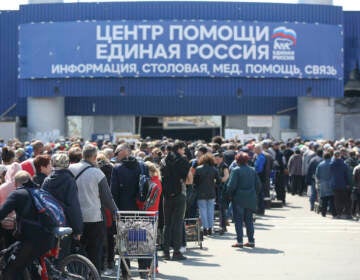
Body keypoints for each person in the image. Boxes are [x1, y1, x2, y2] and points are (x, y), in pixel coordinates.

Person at [69, 144, 118, 273]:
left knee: (75, 251)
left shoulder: (70, 169)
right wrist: (115, 212)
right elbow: (107, 198)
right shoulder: (97, 173)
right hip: (94, 217)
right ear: (95, 157)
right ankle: (94, 275)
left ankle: (76, 274)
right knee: (94, 251)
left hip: (74, 217)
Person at [0, 171, 55, 279]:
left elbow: (2, 212)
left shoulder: (17, 194)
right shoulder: (39, 191)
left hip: (30, 240)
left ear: (16, 184)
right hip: (49, 237)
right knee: (28, 263)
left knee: (9, 269)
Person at [41, 152, 83, 260]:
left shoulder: (47, 180)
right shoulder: (69, 180)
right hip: (66, 222)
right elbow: (73, 206)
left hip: (50, 223)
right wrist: (78, 230)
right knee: (64, 256)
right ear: (67, 164)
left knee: (50, 256)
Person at [160, 141, 190, 261]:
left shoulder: (163, 161)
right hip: (179, 193)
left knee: (167, 224)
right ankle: (176, 251)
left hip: (166, 195)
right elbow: (187, 178)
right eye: (183, 149)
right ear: (179, 149)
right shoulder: (182, 160)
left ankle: (165, 251)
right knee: (178, 223)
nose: (184, 151)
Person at [225, 152, 260, 248]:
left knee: (238, 221)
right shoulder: (252, 170)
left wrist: (230, 195)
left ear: (237, 160)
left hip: (238, 199)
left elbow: (231, 186)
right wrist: (254, 194)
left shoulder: (236, 170)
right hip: (250, 199)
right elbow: (258, 185)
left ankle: (239, 241)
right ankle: (251, 241)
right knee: (249, 221)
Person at [193, 153, 220, 236]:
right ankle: (210, 228)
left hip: (201, 192)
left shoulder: (198, 169)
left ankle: (205, 228)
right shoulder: (214, 169)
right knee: (210, 211)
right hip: (211, 192)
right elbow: (218, 181)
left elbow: (195, 182)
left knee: (203, 211)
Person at [0, 162, 22, 249]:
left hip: (5, 222)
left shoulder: (3, 187)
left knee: (7, 246)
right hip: (20, 223)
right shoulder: (22, 187)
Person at [330, 151, 351, 219]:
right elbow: (346, 175)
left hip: (335, 184)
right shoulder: (344, 164)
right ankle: (347, 214)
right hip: (343, 184)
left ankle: (338, 214)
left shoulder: (331, 164)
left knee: (337, 199)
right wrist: (348, 183)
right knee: (345, 199)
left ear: (334, 156)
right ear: (340, 156)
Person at [315, 152, 336, 217]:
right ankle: (333, 213)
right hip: (332, 183)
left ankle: (323, 213)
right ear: (330, 156)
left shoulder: (320, 164)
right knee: (332, 200)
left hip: (323, 184)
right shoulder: (333, 163)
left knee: (324, 199)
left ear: (324, 157)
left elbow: (317, 175)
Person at [214, 153, 229, 234]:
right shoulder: (216, 166)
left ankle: (223, 226)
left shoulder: (224, 166)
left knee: (222, 208)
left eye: (217, 158)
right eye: (215, 158)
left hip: (222, 189)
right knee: (220, 208)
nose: (216, 160)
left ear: (221, 158)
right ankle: (223, 225)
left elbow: (226, 177)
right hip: (218, 188)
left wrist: (218, 180)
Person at [253, 144, 266, 215]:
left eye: (255, 149)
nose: (254, 150)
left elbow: (259, 169)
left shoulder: (261, 157)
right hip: (258, 176)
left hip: (259, 177)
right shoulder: (257, 156)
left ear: (259, 149)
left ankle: (261, 209)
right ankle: (259, 208)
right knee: (258, 193)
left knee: (260, 193)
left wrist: (253, 171)